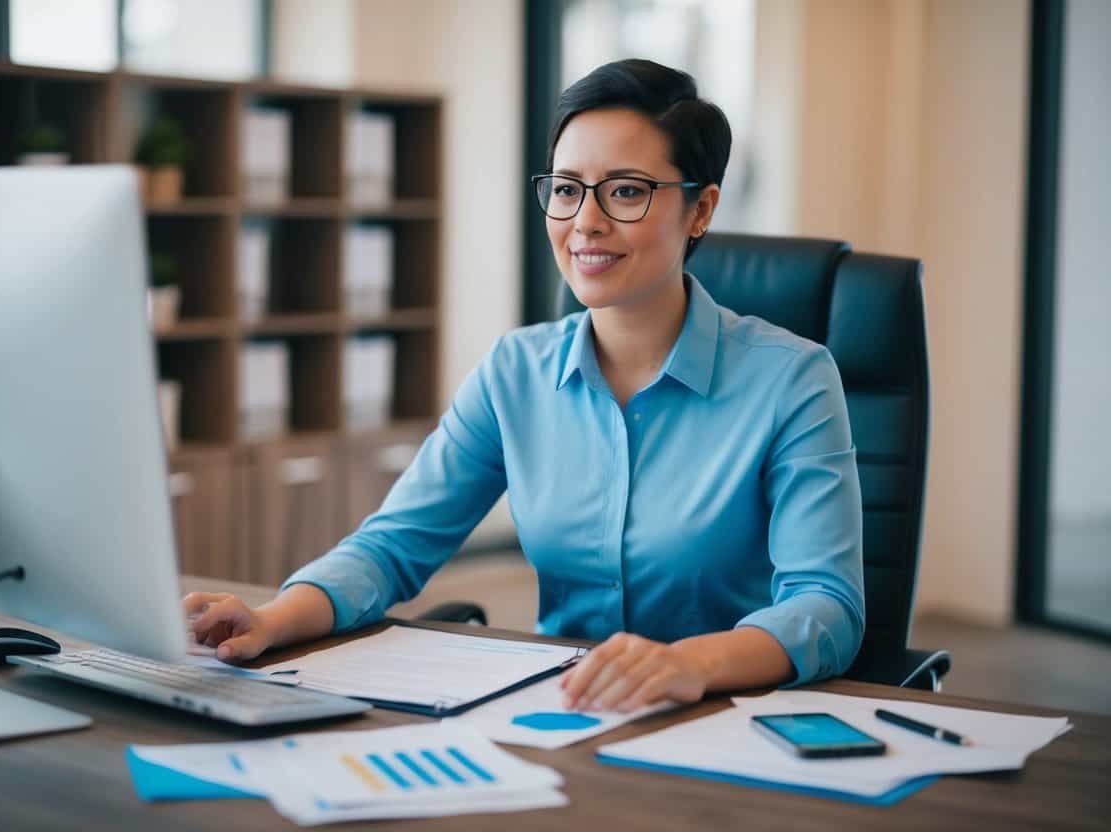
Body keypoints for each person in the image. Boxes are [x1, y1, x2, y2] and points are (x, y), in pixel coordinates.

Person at [186, 58, 864, 713]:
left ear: (700, 210)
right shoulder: (517, 371)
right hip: (558, 713)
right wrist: (272, 619)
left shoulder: (791, 380)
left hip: (719, 721)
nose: (585, 222)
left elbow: (826, 606)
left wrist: (692, 663)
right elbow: (391, 547)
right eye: (566, 189)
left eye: (625, 190)